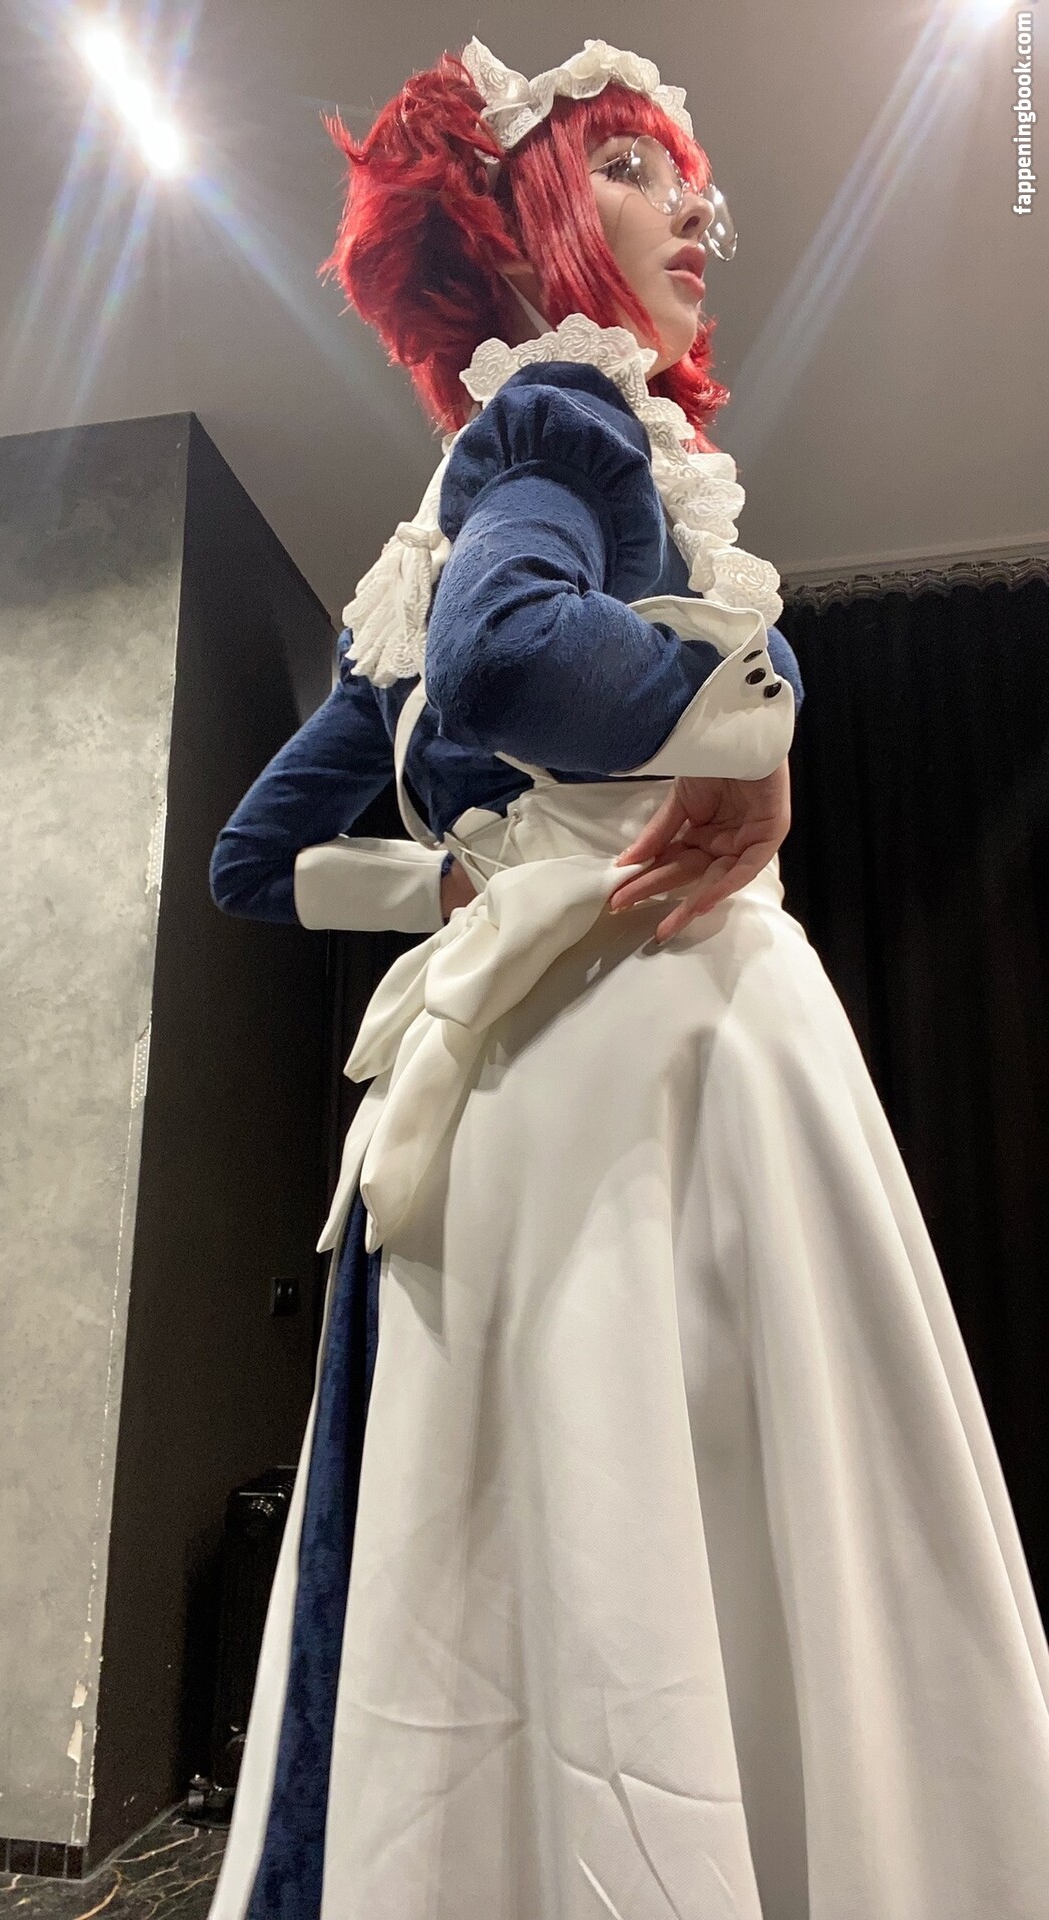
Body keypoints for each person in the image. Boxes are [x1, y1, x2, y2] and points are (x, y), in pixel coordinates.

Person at [205, 38, 1049, 1920]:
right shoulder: (568, 423)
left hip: (511, 1088)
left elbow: (253, 860)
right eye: (640, 169)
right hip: (656, 1046)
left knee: (528, 1535)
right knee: (734, 1522)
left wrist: (461, 880)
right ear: (525, 227)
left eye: (687, 176)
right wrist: (760, 716)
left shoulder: (410, 560)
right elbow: (515, 655)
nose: (699, 212)